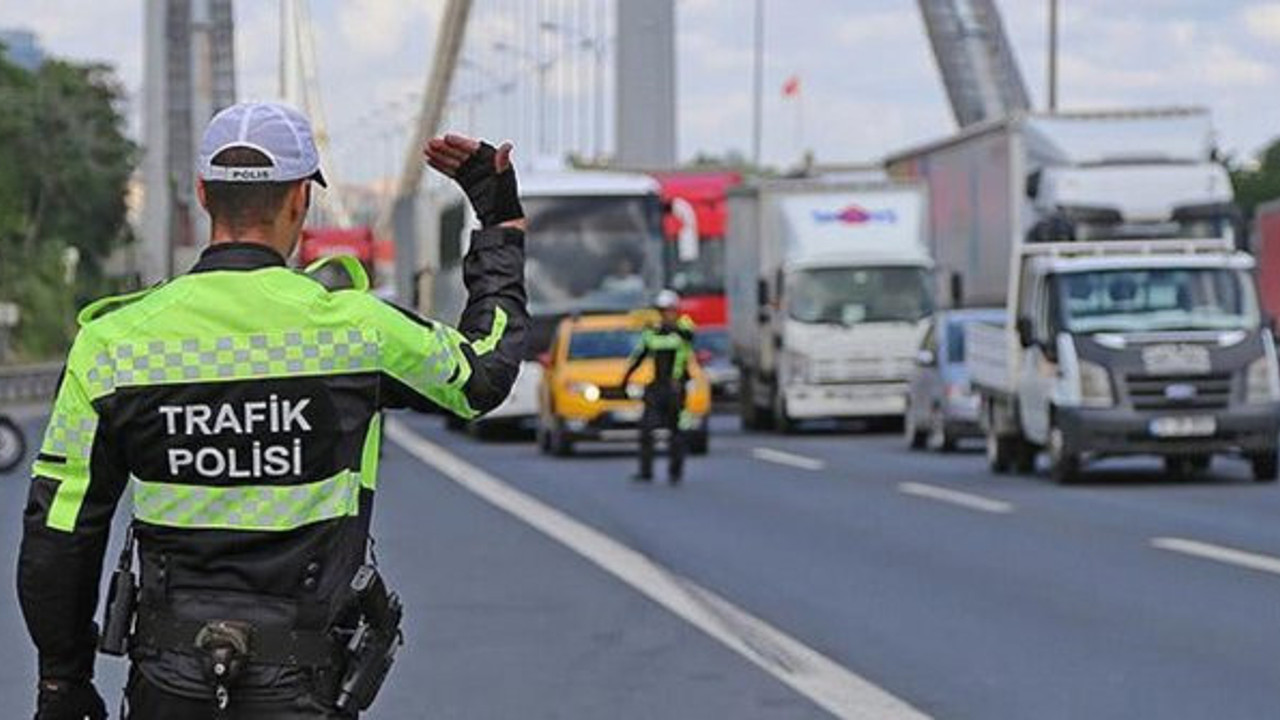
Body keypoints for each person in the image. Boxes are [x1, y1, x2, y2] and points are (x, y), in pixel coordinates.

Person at [17, 101, 528, 719]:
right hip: (304, 684)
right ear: (299, 201)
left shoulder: (113, 345)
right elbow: (483, 375)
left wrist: (61, 684)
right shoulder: (355, 332)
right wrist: (498, 222)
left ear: (204, 195)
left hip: (167, 684)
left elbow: (59, 533)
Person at [621, 289, 696, 485]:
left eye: (669, 310)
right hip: (657, 388)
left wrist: (670, 328)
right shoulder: (652, 333)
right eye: (662, 311)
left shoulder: (684, 328)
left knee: (677, 432)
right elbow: (638, 357)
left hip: (676, 387)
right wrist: (625, 380)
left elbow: (688, 336)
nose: (666, 315)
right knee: (647, 429)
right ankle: (646, 471)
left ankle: (675, 472)